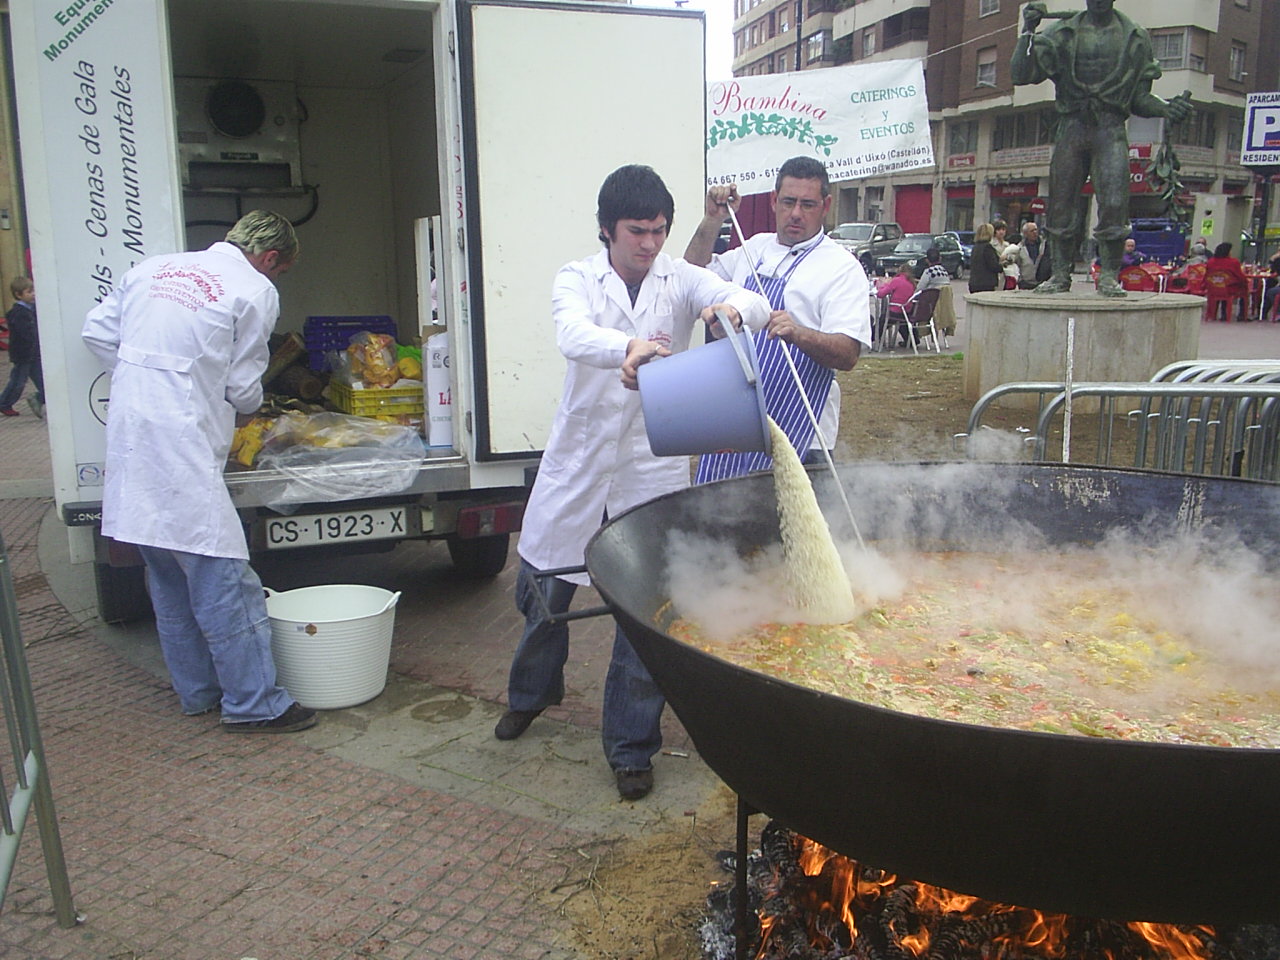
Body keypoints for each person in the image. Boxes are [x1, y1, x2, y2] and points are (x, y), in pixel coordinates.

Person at [493, 165, 768, 801]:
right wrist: (628, 348)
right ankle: (530, 694)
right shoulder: (577, 278)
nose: (649, 243)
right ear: (607, 230)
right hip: (579, 463)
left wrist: (730, 308)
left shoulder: (680, 277)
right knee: (541, 594)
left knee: (643, 612)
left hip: (649, 466)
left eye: (658, 230)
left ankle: (630, 747)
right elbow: (572, 334)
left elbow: (748, 300)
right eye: (636, 231)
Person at [82, 210, 316, 734]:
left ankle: (198, 693)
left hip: (132, 434)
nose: (276, 278)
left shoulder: (153, 268)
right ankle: (256, 704)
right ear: (270, 258)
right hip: (181, 443)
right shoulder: (254, 290)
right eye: (280, 270)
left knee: (167, 576)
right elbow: (243, 388)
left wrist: (147, 375)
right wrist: (241, 404)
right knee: (225, 579)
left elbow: (95, 331)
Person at [683, 156, 870, 478]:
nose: (796, 213)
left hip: (804, 433)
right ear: (774, 200)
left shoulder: (842, 268)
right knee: (718, 509)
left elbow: (848, 353)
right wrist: (712, 220)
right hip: (733, 424)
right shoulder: (754, 248)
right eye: (788, 202)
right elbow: (690, 275)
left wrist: (799, 334)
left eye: (807, 205)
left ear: (825, 206)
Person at [1012, 0, 1192, 296]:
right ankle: (1060, 274)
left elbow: (1140, 98)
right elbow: (1021, 75)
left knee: (1114, 203)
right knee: (1061, 203)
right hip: (1071, 126)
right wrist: (1028, 31)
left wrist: (1166, 108)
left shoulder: (1134, 36)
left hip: (1110, 128)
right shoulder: (1063, 31)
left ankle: (1108, 275)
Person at [0, 276, 43, 418]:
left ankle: (39, 398)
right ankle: (4, 403)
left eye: (33, 291)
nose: (33, 294)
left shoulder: (33, 309)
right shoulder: (18, 313)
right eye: (29, 292)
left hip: (34, 353)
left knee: (43, 381)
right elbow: (25, 334)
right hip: (23, 355)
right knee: (18, 382)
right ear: (18, 295)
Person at [1203, 241, 1250, 321]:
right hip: (1229, 288)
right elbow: (1240, 276)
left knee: (1222, 287)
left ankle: (1215, 314)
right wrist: (1246, 282)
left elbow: (1207, 275)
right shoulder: (1233, 262)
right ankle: (1242, 315)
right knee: (1244, 290)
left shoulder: (1210, 262)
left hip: (1213, 288)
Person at [876, 263, 916, 334]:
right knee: (902, 325)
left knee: (883, 319)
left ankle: (873, 336)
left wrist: (885, 284)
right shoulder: (912, 283)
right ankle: (912, 338)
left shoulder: (897, 280)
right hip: (907, 311)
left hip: (896, 311)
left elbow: (880, 294)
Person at [968, 223, 1002, 293]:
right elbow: (993, 266)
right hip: (986, 284)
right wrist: (1002, 266)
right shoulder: (988, 248)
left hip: (974, 283)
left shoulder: (975, 247)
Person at [1012, 222, 1045, 289]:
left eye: (1036, 230)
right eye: (1032, 231)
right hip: (1026, 283)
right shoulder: (1020, 248)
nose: (1035, 232)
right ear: (1025, 233)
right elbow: (1017, 264)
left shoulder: (1044, 245)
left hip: (1042, 282)